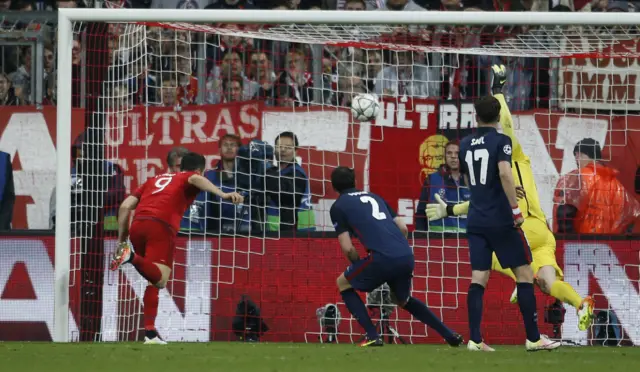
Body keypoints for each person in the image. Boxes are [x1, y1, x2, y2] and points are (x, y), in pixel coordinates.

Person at [426, 65, 596, 333]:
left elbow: (504, 126)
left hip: (522, 226)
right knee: (548, 282)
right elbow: (504, 127)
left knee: (491, 259)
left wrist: (498, 91)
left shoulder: (506, 157)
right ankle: (581, 303)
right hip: (543, 230)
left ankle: (520, 282)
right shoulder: (521, 161)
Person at [455, 95, 559, 352]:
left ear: (475, 116)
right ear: (499, 115)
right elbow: (504, 172)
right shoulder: (502, 141)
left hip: (476, 219)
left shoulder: (465, 143)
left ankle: (475, 340)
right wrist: (515, 209)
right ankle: (534, 338)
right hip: (501, 220)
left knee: (478, 277)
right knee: (524, 274)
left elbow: (470, 180)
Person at [110, 152, 243, 344]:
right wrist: (223, 194)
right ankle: (131, 257)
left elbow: (124, 206)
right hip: (161, 226)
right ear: (200, 169)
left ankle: (150, 334)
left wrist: (122, 241)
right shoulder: (188, 176)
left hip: (138, 226)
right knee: (161, 279)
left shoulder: (153, 179)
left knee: (152, 280)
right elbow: (195, 178)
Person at [329, 166, 463, 347]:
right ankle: (449, 335)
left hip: (382, 258)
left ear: (334, 187)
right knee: (402, 299)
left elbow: (348, 248)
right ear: (355, 182)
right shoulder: (374, 196)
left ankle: (372, 335)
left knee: (343, 283)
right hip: (405, 254)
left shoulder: (338, 206)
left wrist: (358, 264)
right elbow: (403, 228)